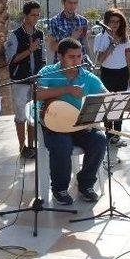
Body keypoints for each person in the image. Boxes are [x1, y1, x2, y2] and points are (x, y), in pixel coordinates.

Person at [37, 38, 107, 205]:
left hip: (76, 123)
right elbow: (37, 94)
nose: (76, 61)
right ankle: (60, 188)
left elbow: (105, 93)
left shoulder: (86, 76)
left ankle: (85, 183)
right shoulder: (48, 72)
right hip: (53, 124)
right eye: (71, 57)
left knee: (99, 140)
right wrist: (66, 89)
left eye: (79, 56)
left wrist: (123, 104)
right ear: (60, 57)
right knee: (62, 144)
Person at [4, 1, 46, 159]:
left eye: (38, 15)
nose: (36, 18)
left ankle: (32, 146)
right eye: (33, 15)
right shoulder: (15, 35)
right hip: (20, 81)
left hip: (35, 80)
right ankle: (22, 148)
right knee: (21, 114)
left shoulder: (39, 34)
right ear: (25, 16)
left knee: (32, 114)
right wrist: (30, 49)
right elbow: (11, 59)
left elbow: (42, 58)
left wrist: (41, 74)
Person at [93, 8, 130, 148]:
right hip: (107, 73)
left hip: (122, 73)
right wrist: (111, 46)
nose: (115, 24)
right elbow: (99, 60)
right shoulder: (100, 38)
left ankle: (117, 135)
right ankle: (109, 135)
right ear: (106, 22)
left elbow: (128, 57)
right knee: (109, 105)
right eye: (112, 21)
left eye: (117, 22)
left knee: (119, 105)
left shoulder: (124, 37)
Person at [47, 0, 93, 64]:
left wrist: (89, 60)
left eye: (75, 3)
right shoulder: (54, 21)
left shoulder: (83, 21)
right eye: (70, 3)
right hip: (62, 66)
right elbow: (52, 46)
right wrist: (71, 38)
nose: (73, 6)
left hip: (81, 65)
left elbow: (85, 43)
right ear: (63, 2)